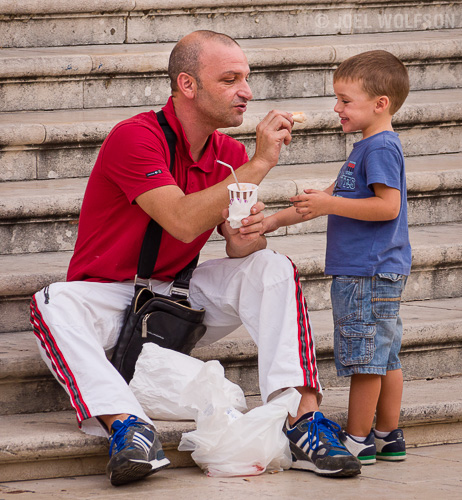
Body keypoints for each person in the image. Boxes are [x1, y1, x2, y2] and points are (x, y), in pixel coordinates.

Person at [29, 30, 360, 487]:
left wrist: (249, 232)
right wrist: (261, 165)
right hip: (109, 300)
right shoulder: (136, 137)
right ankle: (127, 427)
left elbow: (238, 247)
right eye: (230, 79)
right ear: (188, 85)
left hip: (176, 299)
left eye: (246, 77)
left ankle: (304, 418)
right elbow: (182, 222)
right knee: (52, 301)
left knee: (271, 267)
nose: (246, 91)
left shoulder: (229, 154)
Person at [261, 50, 411, 465]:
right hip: (378, 270)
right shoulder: (367, 148)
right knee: (385, 355)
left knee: (365, 361)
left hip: (366, 270)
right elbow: (327, 200)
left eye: (346, 100)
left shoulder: (378, 148)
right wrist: (272, 221)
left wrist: (330, 205)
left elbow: (388, 208)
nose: (336, 108)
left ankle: (359, 439)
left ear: (380, 104)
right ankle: (388, 435)